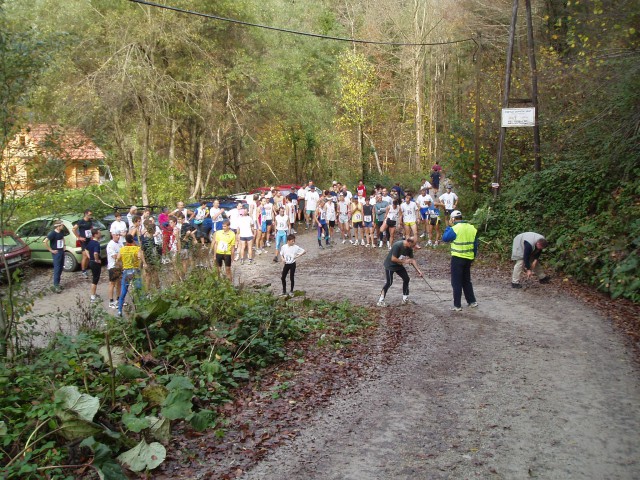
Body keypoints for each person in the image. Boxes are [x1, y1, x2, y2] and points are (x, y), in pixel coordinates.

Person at [442, 210, 478, 311]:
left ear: (453, 219)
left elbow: (445, 238)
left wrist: (449, 227)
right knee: (466, 280)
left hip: (457, 257)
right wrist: (473, 257)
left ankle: (457, 305)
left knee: (456, 282)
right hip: (469, 257)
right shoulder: (472, 228)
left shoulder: (455, 228)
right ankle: (472, 301)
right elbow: (475, 245)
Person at [377, 237, 423, 306]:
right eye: (414, 245)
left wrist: (418, 271)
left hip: (398, 265)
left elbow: (412, 260)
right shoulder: (397, 245)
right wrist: (405, 261)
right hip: (390, 265)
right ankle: (380, 301)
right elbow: (393, 259)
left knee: (406, 279)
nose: (414, 246)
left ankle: (405, 299)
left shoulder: (409, 248)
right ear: (409, 243)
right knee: (389, 282)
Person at [116, 234, 144, 317]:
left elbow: (117, 260)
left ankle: (119, 311)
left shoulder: (122, 249)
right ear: (132, 240)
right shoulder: (136, 248)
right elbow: (140, 257)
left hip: (126, 271)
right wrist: (140, 265)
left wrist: (122, 266)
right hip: (135, 270)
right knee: (139, 290)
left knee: (123, 291)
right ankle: (141, 308)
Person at [44, 220, 66, 293]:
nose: (63, 226)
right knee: (57, 268)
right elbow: (45, 241)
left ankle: (58, 284)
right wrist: (51, 250)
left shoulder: (61, 232)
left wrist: (64, 245)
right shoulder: (52, 233)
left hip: (61, 251)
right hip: (56, 252)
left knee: (61, 267)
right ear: (58, 226)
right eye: (62, 225)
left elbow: (62, 238)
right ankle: (55, 285)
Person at [73, 209, 93, 278]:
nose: (90, 215)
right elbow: (74, 229)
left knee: (88, 256)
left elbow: (91, 229)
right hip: (83, 241)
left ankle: (86, 269)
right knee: (85, 255)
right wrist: (79, 237)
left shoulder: (90, 221)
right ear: (86, 214)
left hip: (89, 240)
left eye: (91, 214)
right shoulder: (81, 221)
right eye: (89, 214)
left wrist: (91, 237)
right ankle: (83, 271)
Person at [84, 228, 103, 303]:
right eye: (99, 233)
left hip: (91, 262)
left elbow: (86, 249)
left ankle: (94, 294)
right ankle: (92, 297)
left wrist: (89, 256)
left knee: (95, 278)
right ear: (95, 234)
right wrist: (97, 259)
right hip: (95, 263)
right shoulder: (96, 244)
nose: (100, 234)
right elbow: (95, 253)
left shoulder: (91, 242)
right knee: (95, 279)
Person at [106, 232, 122, 308]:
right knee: (112, 283)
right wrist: (120, 255)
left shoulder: (120, 243)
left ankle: (118, 299)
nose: (118, 237)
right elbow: (115, 256)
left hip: (119, 266)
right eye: (117, 235)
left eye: (119, 235)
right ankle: (111, 301)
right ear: (113, 235)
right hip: (113, 266)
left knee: (119, 283)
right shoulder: (110, 245)